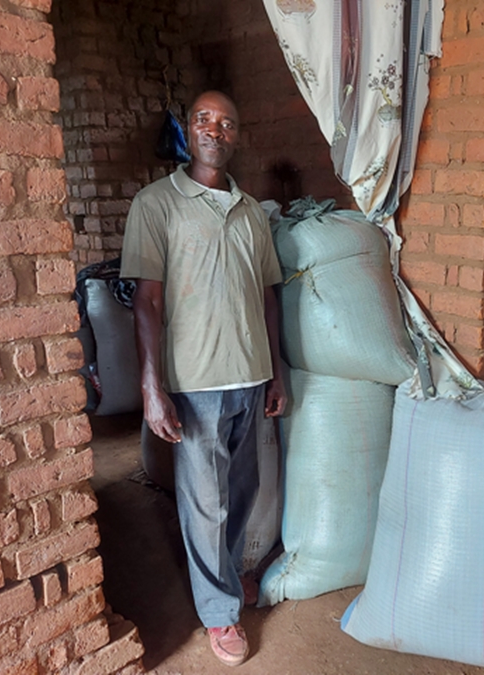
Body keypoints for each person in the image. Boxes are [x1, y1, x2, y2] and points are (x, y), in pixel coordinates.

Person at [120, 90, 286, 666]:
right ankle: (219, 616)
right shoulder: (156, 204)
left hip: (249, 376)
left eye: (227, 123)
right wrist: (150, 385)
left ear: (237, 137)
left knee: (243, 493)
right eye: (204, 119)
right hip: (195, 382)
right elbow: (146, 300)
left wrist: (277, 371)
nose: (216, 130)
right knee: (206, 505)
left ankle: (228, 576)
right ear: (188, 130)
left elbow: (268, 297)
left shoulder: (251, 211)